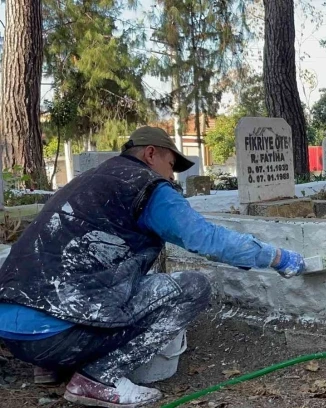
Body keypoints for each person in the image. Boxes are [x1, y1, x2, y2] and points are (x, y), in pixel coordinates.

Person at [0, 126, 306, 407]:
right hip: (59, 336)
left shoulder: (89, 180)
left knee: (91, 282)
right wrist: (276, 257)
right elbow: (207, 240)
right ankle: (99, 378)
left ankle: (51, 369)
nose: (171, 177)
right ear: (150, 154)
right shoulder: (147, 187)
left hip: (15, 334)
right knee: (193, 288)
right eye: (171, 166)